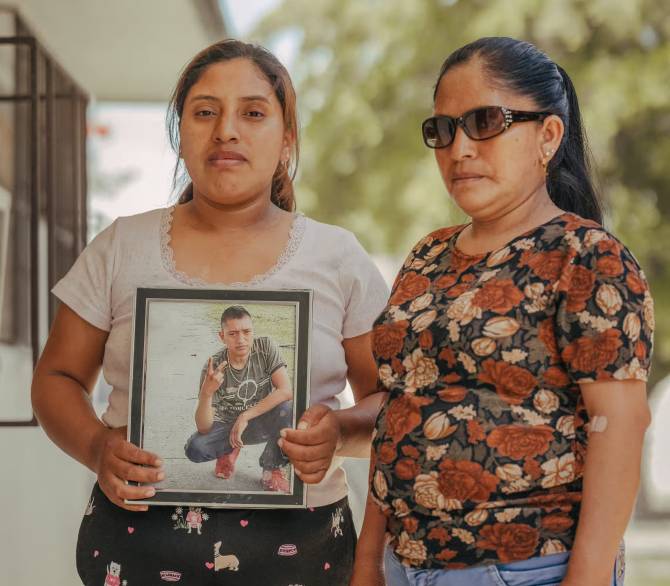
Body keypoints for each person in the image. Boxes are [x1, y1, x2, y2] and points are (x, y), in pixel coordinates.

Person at [31, 39, 389, 585]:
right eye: (205, 112)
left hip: (304, 549)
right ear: (181, 133)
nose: (226, 130)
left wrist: (338, 433)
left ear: (286, 135)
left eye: (252, 112)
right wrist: (97, 445)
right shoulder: (122, 246)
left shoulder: (337, 258)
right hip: (137, 543)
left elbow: (394, 406)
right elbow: (55, 378)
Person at [351, 37, 653, 586]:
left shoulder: (586, 255)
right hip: (404, 566)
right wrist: (368, 564)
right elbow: (399, 415)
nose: (459, 147)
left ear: (548, 136)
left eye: (485, 121)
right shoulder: (426, 256)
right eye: (442, 130)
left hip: (529, 570)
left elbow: (621, 426)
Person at [184, 305, 293, 491]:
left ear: (253, 331)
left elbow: (286, 390)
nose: (241, 340)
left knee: (290, 409)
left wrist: (245, 416)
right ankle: (228, 450)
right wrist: (206, 393)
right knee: (195, 448)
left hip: (259, 421)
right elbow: (204, 427)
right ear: (222, 336)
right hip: (226, 426)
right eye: (233, 334)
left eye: (246, 332)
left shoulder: (265, 347)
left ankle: (271, 468)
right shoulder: (214, 366)